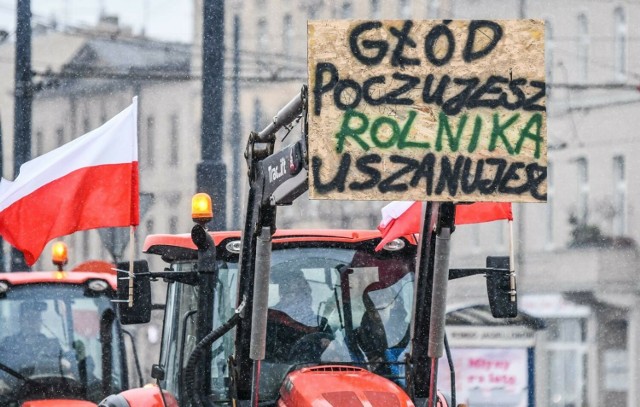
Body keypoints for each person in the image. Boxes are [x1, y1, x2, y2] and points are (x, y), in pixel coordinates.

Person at [0, 301, 64, 375]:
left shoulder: (53, 345)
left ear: (41, 321)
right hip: (13, 385)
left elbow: (65, 368)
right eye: (28, 317)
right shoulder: (8, 344)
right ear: (21, 320)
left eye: (36, 318)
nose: (32, 322)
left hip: (49, 385)